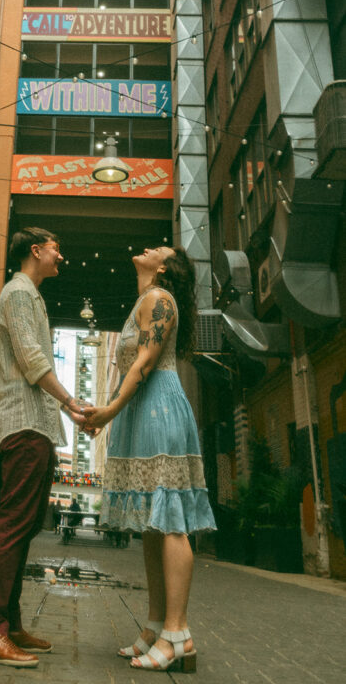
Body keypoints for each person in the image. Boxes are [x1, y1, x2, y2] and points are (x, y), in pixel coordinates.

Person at [83, 245, 216, 673]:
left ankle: (179, 635)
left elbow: (144, 362)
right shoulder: (144, 301)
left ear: (163, 268)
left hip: (158, 410)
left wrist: (109, 409)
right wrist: (110, 411)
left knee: (171, 519)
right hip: (143, 411)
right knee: (152, 526)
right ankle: (157, 625)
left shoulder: (160, 300)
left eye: (159, 248)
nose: (149, 246)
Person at [0, 227, 88, 669]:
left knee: (26, 523)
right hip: (23, 425)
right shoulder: (18, 293)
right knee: (12, 524)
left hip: (37, 427)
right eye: (56, 246)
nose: (61, 253)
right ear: (35, 251)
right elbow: (32, 360)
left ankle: (9, 623)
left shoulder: (31, 296)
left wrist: (64, 414)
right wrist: (73, 403)